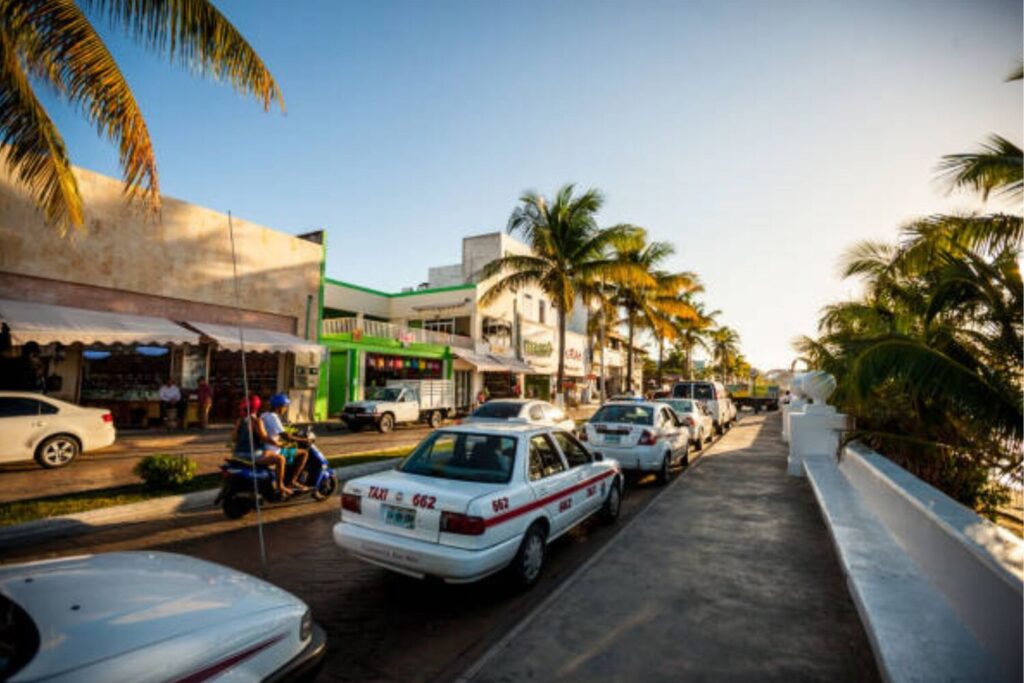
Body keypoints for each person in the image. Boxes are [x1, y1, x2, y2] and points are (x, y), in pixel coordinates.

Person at [232, 395, 293, 495]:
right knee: (281, 459)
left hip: (237, 454)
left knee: (268, 452)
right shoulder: (257, 421)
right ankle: (280, 486)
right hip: (253, 455)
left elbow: (234, 438)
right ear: (257, 407)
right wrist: (279, 444)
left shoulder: (240, 421)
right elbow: (265, 438)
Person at [261, 393, 310, 492]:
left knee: (290, 449)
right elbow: (286, 436)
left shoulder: (264, 415)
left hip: (265, 448)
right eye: (285, 406)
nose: (286, 409)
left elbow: (278, 431)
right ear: (279, 406)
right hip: (274, 450)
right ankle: (293, 481)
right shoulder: (273, 417)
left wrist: (292, 432)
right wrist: (305, 440)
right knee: (304, 453)